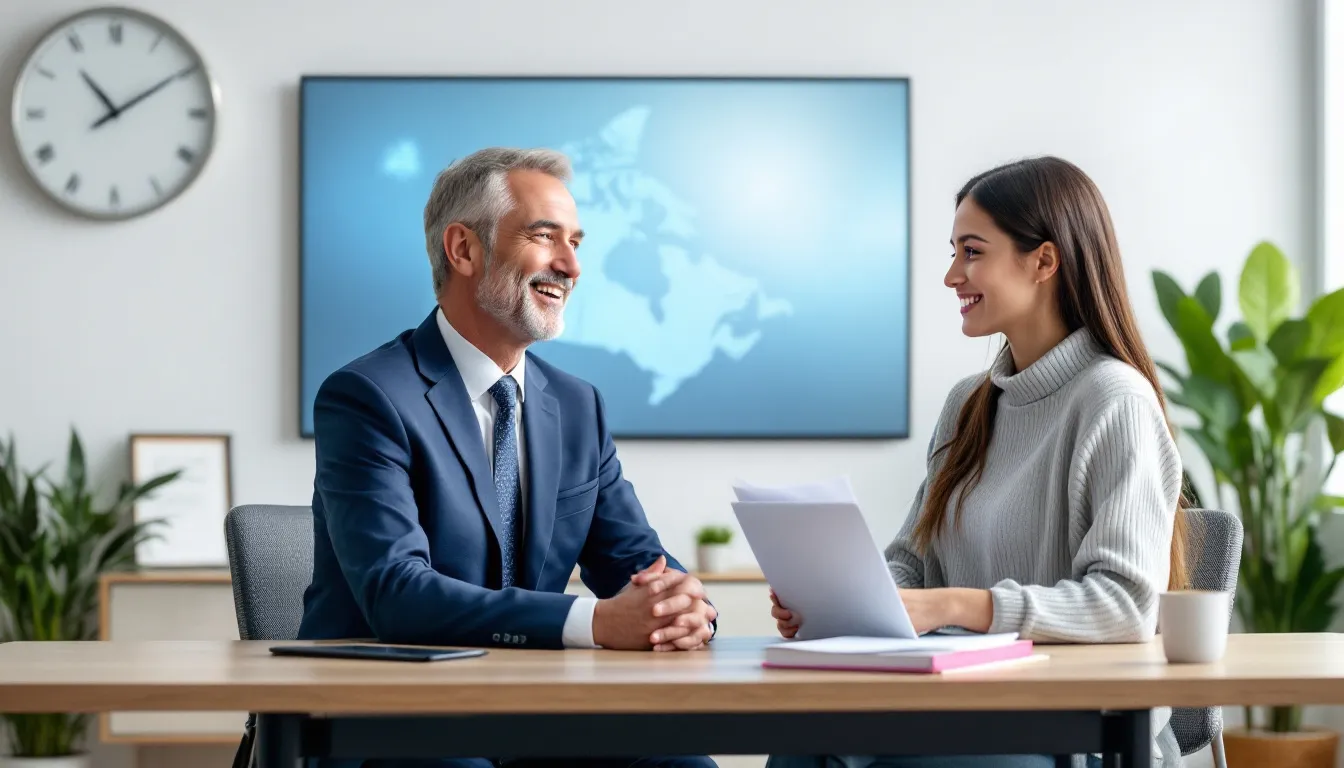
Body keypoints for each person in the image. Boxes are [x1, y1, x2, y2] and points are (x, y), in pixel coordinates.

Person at [299, 147, 718, 768]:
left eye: (576, 242)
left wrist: (684, 608)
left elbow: (637, 562)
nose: (570, 265)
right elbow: (398, 594)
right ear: (463, 250)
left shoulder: (577, 406)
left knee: (680, 763)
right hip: (388, 717)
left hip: (536, 712)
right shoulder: (367, 397)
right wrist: (598, 624)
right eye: (544, 237)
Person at [766, 157, 1187, 768]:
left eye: (971, 252)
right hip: (959, 710)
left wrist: (957, 605)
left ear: (1044, 261)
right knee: (804, 747)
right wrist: (853, 600)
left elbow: (1127, 604)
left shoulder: (1114, 400)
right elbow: (913, 559)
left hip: (1075, 733)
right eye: (954, 251)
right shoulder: (969, 402)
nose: (950, 276)